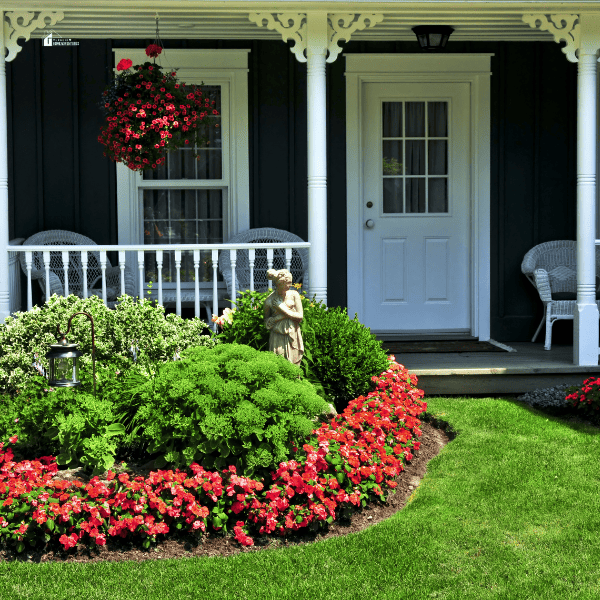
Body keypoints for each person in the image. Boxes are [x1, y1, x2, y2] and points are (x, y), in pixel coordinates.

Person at [264, 268, 304, 365]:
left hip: (292, 334)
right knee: (279, 365)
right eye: (287, 283)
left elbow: (300, 316)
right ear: (279, 284)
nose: (289, 286)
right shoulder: (269, 301)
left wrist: (283, 308)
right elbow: (267, 323)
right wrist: (283, 316)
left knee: (294, 367)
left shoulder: (294, 295)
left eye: (290, 283)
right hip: (277, 337)